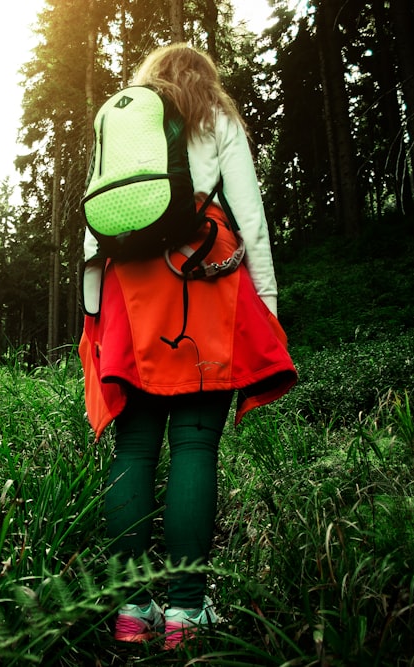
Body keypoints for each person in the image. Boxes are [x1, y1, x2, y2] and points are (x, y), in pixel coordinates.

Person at [78, 43, 297, 650]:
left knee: (135, 446)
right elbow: (250, 219)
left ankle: (130, 610)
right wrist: (269, 305)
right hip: (204, 281)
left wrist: (94, 309)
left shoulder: (125, 122)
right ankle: (184, 614)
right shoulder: (218, 119)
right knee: (196, 443)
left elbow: (96, 223)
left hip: (129, 288)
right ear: (206, 80)